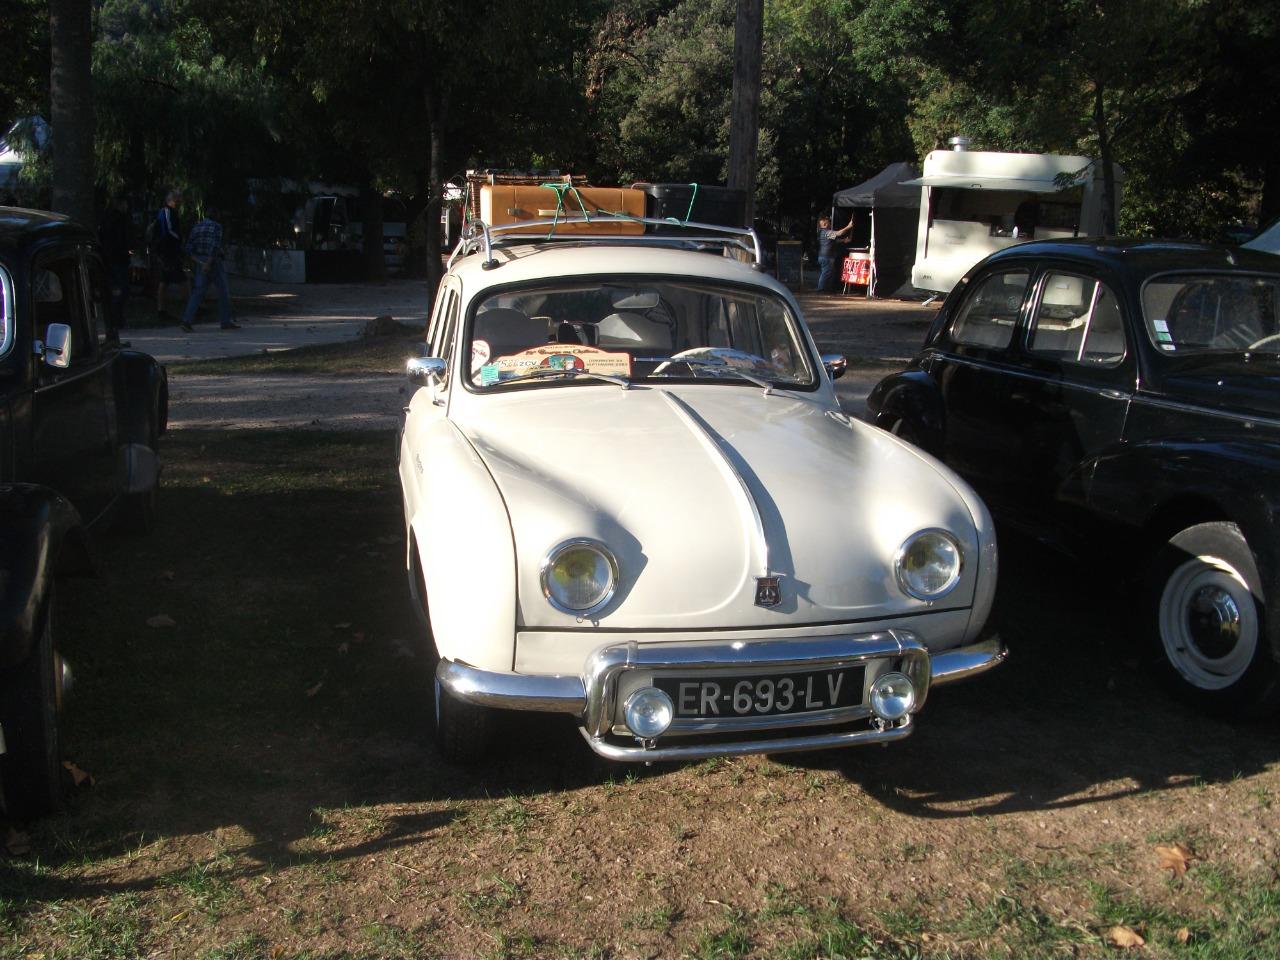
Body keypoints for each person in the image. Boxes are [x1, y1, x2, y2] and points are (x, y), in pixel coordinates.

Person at [180, 206, 240, 331]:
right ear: (217, 216)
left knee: (198, 292)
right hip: (213, 262)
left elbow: (189, 248)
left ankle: (187, 320)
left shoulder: (197, 227)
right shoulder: (217, 227)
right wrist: (208, 262)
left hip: (200, 260)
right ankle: (225, 321)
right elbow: (215, 246)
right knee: (223, 291)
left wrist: (200, 262)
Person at [154, 191, 189, 321]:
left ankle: (161, 310)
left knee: (165, 280)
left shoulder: (172, 213)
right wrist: (179, 239)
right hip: (168, 252)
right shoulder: (166, 212)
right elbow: (168, 230)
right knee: (182, 279)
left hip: (168, 251)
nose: (180, 202)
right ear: (171, 200)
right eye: (178, 199)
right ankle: (192, 307)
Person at [99, 193, 132, 334]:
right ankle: (116, 320)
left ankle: (115, 319)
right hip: (117, 258)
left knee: (117, 289)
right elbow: (119, 239)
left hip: (111, 257)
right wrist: (125, 250)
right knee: (120, 290)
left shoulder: (107, 219)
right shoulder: (118, 220)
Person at [815, 215, 853, 293]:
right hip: (827, 256)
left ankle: (826, 288)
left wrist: (843, 240)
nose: (830, 223)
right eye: (828, 221)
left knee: (828, 272)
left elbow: (834, 240)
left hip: (824, 256)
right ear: (825, 223)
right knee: (826, 273)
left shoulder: (823, 232)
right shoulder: (826, 232)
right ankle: (821, 289)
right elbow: (839, 233)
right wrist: (848, 227)